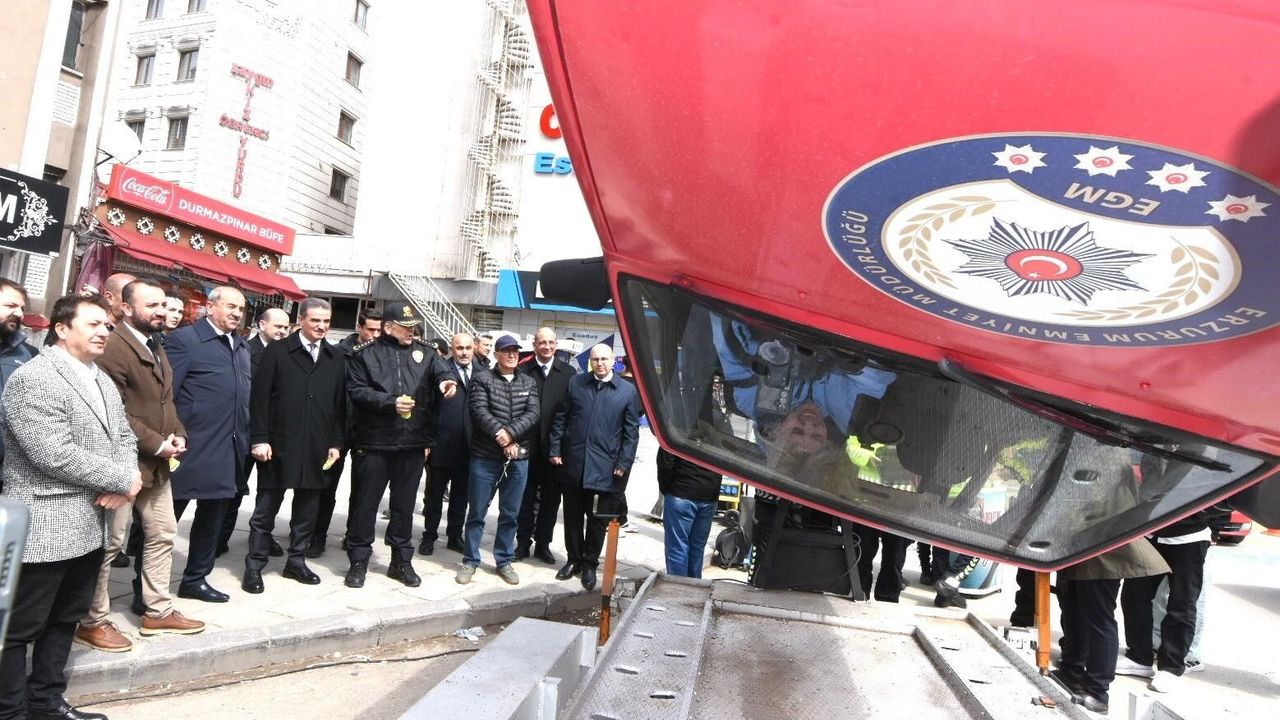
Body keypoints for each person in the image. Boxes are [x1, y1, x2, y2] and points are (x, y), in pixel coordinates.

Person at [0, 295, 143, 720]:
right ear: (61, 329)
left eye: (106, 325)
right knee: (19, 626)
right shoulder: (34, 378)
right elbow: (51, 452)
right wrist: (120, 480)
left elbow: (124, 436)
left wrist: (127, 480)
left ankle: (46, 702)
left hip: (91, 521)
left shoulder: (100, 379)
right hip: (45, 522)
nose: (104, 332)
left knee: (66, 617)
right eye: (93, 324)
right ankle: (10, 710)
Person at [75, 279, 204, 654]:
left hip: (157, 465)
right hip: (121, 464)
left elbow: (166, 401)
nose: (161, 312)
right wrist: (158, 444)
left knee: (163, 534)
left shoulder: (155, 343)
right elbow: (114, 410)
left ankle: (157, 611)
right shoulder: (113, 346)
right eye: (152, 305)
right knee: (110, 544)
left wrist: (178, 433)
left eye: (164, 305)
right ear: (128, 308)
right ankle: (92, 621)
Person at [343, 301, 456, 588]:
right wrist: (389, 402)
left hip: (412, 443)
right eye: (405, 327)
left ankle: (401, 561)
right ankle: (358, 560)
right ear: (388, 327)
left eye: (414, 326)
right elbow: (356, 391)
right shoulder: (365, 354)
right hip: (375, 442)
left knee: (404, 507)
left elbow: (442, 372)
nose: (411, 331)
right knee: (365, 505)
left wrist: (446, 382)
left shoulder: (426, 352)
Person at [242, 299, 345, 593]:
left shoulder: (335, 357)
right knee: (265, 510)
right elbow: (259, 399)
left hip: (317, 447)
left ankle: (296, 561)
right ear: (301, 320)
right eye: (315, 320)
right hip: (279, 445)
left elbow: (340, 405)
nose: (322, 326)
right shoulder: (278, 351)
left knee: (307, 511)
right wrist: (259, 438)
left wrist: (336, 442)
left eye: (326, 321)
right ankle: (254, 565)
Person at [165, 286, 253, 603]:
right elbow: (167, 395)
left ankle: (195, 580)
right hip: (188, 448)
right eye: (230, 306)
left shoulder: (240, 346)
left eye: (240, 309)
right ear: (210, 306)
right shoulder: (185, 340)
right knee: (163, 525)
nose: (236, 313)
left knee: (211, 523)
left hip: (227, 449)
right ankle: (146, 588)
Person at [549, 344, 641, 591]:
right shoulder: (577, 384)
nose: (600, 363)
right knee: (572, 516)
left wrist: (624, 462)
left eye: (604, 359)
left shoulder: (627, 391)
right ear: (590, 361)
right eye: (595, 359)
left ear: (613, 361)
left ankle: (590, 564)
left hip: (605, 469)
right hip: (575, 463)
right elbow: (561, 419)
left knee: (598, 520)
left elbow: (631, 433)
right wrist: (555, 449)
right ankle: (573, 560)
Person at [455, 334, 539, 586]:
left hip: (518, 459)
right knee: (477, 512)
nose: (512, 354)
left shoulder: (528, 382)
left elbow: (533, 413)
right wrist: (503, 438)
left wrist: (511, 435)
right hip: (485, 457)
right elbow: (479, 411)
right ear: (497, 355)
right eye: (506, 350)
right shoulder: (482, 379)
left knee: (510, 514)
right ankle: (470, 560)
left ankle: (504, 560)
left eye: (515, 350)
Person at [1053, 538, 1170, 714]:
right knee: (1074, 612)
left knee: (1099, 618)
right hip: (1080, 550)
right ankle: (1071, 672)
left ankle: (1097, 692)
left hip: (1102, 551)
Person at [1117, 506, 1215, 692]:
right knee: (1134, 596)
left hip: (1190, 535)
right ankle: (1139, 657)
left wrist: (1214, 526)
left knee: (1182, 604)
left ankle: (1172, 666)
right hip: (1150, 530)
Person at [222, 307, 293, 556]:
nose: (283, 331)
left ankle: (262, 536)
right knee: (233, 489)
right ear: (262, 325)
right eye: (278, 326)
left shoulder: (288, 355)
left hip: (275, 434)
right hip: (244, 431)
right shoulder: (243, 350)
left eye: (286, 327)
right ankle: (219, 537)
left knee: (271, 491)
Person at [312, 310, 382, 557]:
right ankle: (317, 536)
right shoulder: (337, 353)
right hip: (337, 429)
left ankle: (353, 535)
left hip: (367, 430)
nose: (375, 334)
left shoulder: (382, 355)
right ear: (359, 327)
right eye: (371, 329)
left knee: (363, 489)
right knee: (326, 485)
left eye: (379, 330)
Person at [515, 327, 574, 565]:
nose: (547, 347)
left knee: (551, 500)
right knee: (524, 499)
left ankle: (543, 544)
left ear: (556, 344)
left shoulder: (568, 373)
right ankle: (522, 543)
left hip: (554, 451)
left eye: (551, 342)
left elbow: (570, 412)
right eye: (542, 342)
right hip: (526, 447)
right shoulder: (522, 370)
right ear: (534, 344)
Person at [419, 333, 475, 556]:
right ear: (452, 349)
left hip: (468, 448)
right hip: (440, 445)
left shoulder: (482, 373)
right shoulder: (439, 371)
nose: (464, 352)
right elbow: (426, 407)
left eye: (468, 347)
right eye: (459, 348)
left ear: (474, 348)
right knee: (434, 497)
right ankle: (429, 536)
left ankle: (454, 536)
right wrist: (426, 440)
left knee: (460, 497)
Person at [656, 447, 720, 578]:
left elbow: (666, 460)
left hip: (681, 491)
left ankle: (679, 588)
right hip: (708, 494)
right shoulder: (718, 433)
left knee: (677, 548)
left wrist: (666, 489)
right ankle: (694, 586)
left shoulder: (680, 432)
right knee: (697, 549)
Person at [0, 280, 39, 484]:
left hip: (8, 474)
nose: (20, 314)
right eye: (10, 306)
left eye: (22, 308)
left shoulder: (30, 355)